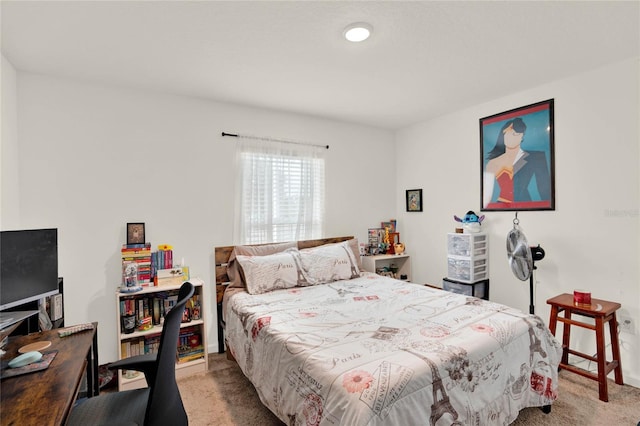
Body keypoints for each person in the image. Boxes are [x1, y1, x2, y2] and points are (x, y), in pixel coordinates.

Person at [483, 117, 550, 208]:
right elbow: (486, 198)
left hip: (526, 207)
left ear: (522, 137)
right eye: (508, 133)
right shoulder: (492, 162)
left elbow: (545, 192)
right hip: (501, 206)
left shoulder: (535, 157)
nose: (510, 137)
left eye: (515, 134)